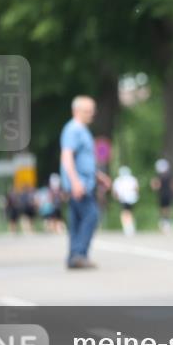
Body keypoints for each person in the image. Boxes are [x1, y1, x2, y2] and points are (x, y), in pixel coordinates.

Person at [60, 96, 110, 269]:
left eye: (92, 110)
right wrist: (75, 182)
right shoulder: (73, 130)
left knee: (76, 220)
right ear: (76, 111)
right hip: (80, 184)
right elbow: (67, 157)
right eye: (87, 111)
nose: (91, 114)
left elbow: (84, 161)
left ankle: (74, 255)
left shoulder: (82, 131)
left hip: (84, 181)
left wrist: (98, 176)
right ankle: (80, 254)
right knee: (91, 215)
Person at [112, 166, 140, 236]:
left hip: (124, 198)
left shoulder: (118, 180)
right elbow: (136, 188)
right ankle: (130, 226)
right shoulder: (132, 179)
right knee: (129, 212)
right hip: (132, 198)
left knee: (125, 213)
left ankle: (128, 227)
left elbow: (115, 191)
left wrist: (116, 197)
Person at [151, 159, 173, 233]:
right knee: (168, 209)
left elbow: (156, 186)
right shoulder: (170, 175)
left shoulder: (159, 177)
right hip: (168, 194)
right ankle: (168, 222)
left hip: (162, 194)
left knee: (163, 209)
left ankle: (165, 222)